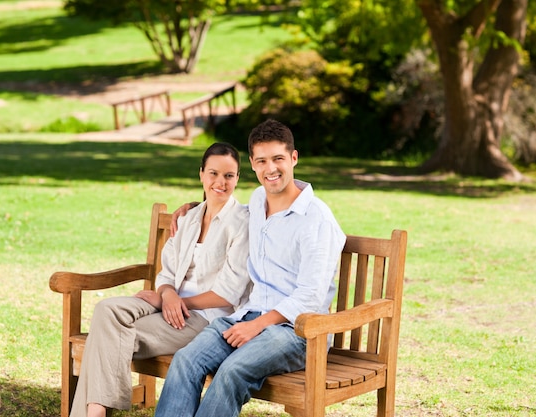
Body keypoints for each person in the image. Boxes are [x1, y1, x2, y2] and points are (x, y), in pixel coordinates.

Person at [154, 119, 346, 417]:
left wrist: (257, 326)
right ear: (254, 166)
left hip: (299, 332)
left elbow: (310, 297)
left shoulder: (316, 219)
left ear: (294, 158)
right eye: (262, 161)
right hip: (246, 317)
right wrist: (193, 207)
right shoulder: (258, 202)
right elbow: (224, 207)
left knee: (231, 371)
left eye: (278, 159)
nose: (271, 169)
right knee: (186, 360)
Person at [69, 142, 251, 417]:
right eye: (213, 173)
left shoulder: (242, 223)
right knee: (106, 310)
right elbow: (166, 272)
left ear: (237, 179)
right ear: (201, 174)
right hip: (169, 303)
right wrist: (166, 293)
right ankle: (96, 411)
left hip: (203, 317)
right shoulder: (188, 218)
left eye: (229, 175)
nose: (220, 182)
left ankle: (93, 412)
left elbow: (228, 294)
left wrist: (177, 301)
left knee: (106, 338)